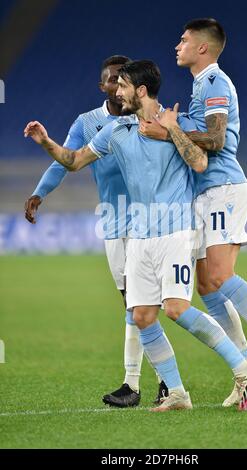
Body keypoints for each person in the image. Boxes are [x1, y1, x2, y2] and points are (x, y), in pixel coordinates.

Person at [24, 59, 247, 412]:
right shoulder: (116, 130)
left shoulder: (173, 122)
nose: (116, 93)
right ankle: (178, 393)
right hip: (139, 235)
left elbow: (199, 163)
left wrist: (171, 131)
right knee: (141, 315)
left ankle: (244, 368)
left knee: (177, 309)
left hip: (176, 232)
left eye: (122, 86)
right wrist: (45, 142)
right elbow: (73, 161)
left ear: (141, 90)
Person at [145, 18, 247, 404]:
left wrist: (171, 130)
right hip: (204, 193)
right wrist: (170, 128)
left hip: (224, 188)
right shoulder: (199, 86)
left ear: (202, 48)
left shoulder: (215, 82)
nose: (176, 45)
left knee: (220, 274)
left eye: (182, 40)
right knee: (206, 285)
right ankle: (246, 367)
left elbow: (214, 139)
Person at [24, 55, 169, 408]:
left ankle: (150, 382)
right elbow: (68, 160)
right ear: (102, 86)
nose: (118, 85)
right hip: (113, 222)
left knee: (148, 305)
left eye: (123, 79)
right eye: (112, 80)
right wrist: (40, 192)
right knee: (134, 304)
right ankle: (145, 383)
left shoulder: (150, 116)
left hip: (150, 220)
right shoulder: (90, 124)